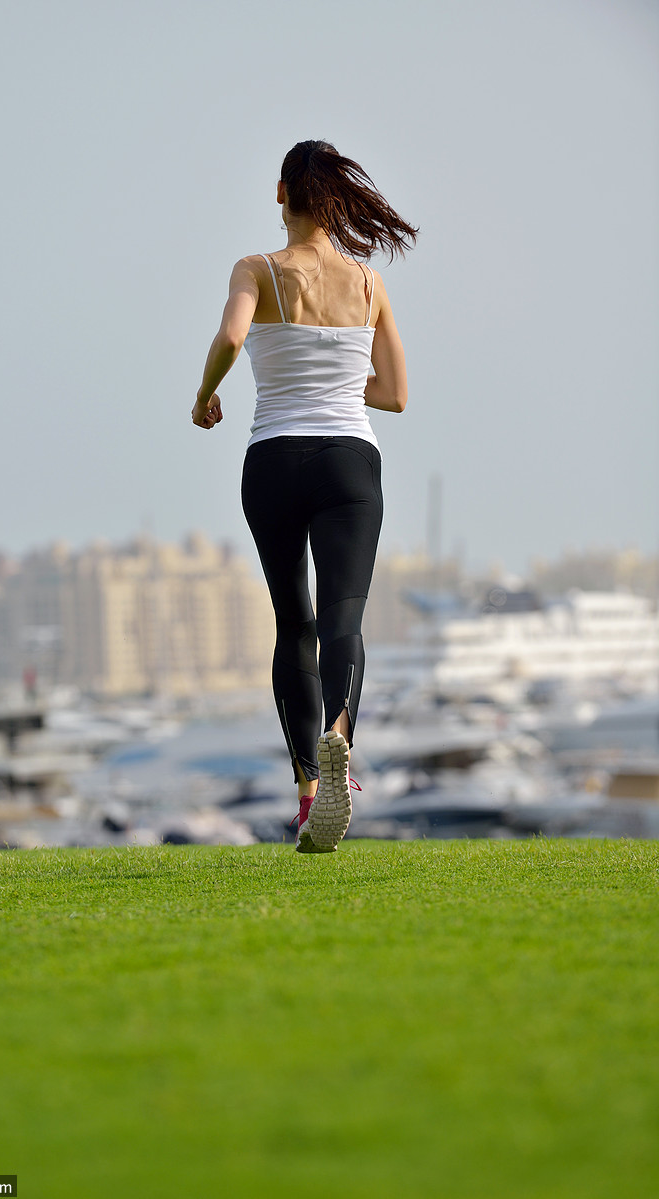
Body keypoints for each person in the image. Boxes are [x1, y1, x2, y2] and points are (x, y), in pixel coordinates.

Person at [191, 139, 417, 853]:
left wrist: (206, 394)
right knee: (344, 615)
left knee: (295, 622)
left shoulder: (256, 268)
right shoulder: (369, 285)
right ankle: (340, 735)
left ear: (281, 193)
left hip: (274, 458)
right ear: (336, 201)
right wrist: (338, 383)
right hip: (350, 460)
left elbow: (232, 334)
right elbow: (396, 395)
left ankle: (308, 793)